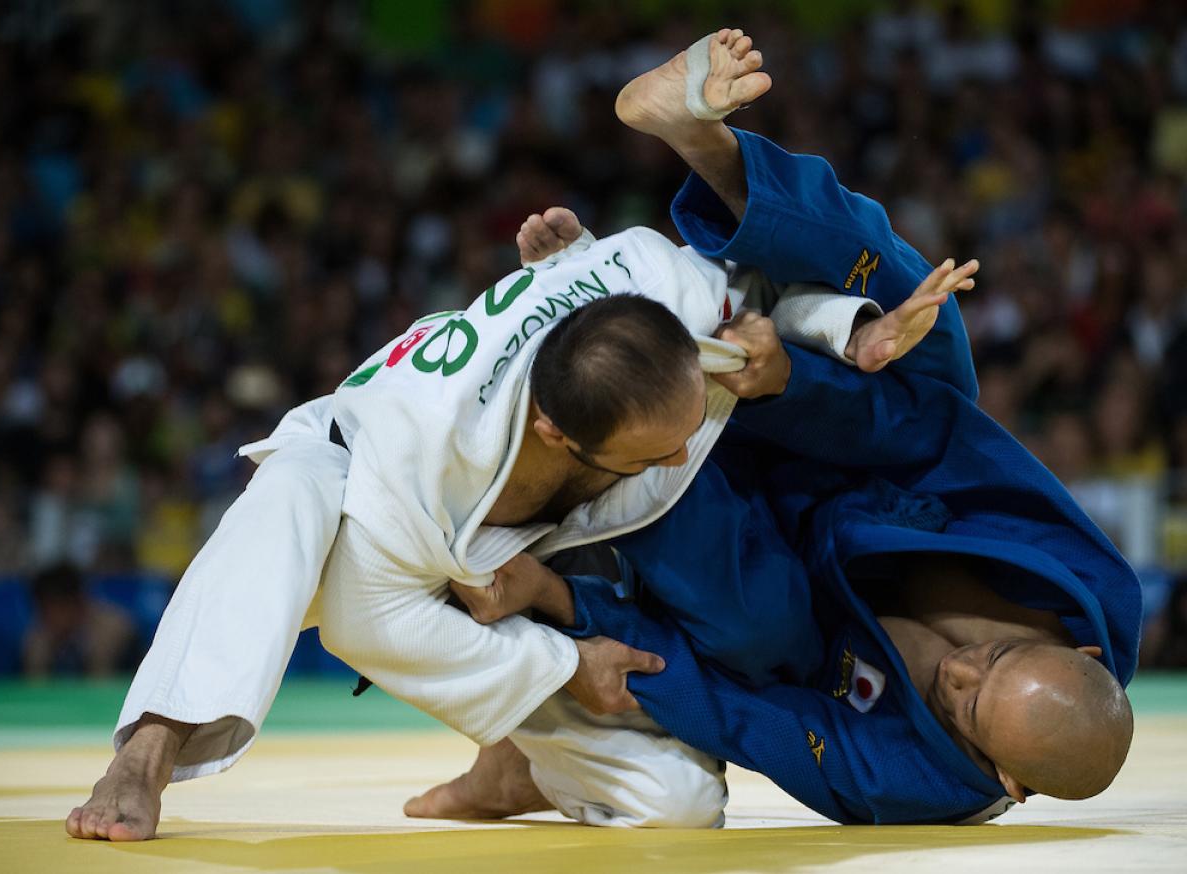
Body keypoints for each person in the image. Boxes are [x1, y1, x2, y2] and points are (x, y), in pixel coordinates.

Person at [67, 31, 938, 841]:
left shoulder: (653, 285)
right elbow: (374, 628)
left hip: (505, 532)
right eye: (654, 451)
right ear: (557, 434)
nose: (680, 458)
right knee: (287, 505)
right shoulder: (419, 460)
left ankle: (519, 769)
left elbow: (757, 293)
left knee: (678, 804)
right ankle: (148, 747)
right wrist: (566, 667)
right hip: (355, 484)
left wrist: (845, 332)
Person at [405, 29, 1137, 827]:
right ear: (1082, 654)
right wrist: (800, 381)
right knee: (933, 336)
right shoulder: (1089, 584)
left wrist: (570, 614)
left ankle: (599, 326)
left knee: (755, 631)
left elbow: (748, 718)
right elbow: (938, 441)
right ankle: (709, 150)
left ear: (1009, 781)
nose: (959, 670)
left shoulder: (903, 781)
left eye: (965, 707)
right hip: (845, 442)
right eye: (993, 658)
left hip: (751, 551)